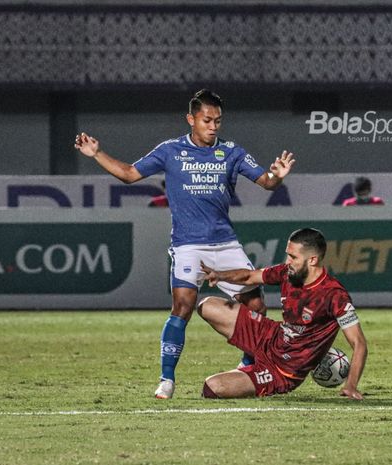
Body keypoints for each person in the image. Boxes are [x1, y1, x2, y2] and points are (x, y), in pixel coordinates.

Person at [74, 89, 296, 399]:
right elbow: (128, 174)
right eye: (207, 120)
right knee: (183, 306)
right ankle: (167, 380)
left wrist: (279, 175)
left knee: (256, 305)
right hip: (188, 245)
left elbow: (267, 182)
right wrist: (96, 153)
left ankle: (247, 366)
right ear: (191, 119)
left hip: (225, 244)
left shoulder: (232, 152)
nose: (213, 126)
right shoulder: (170, 151)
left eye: (218, 121)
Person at [197, 228, 368, 399]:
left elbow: (359, 343)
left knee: (212, 387)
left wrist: (351, 386)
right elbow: (249, 276)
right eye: (288, 254)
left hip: (283, 370)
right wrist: (219, 275)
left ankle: (249, 373)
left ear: (313, 260)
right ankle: (249, 363)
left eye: (293, 257)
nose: (288, 261)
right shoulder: (287, 273)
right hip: (270, 335)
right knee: (207, 305)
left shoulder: (334, 295)